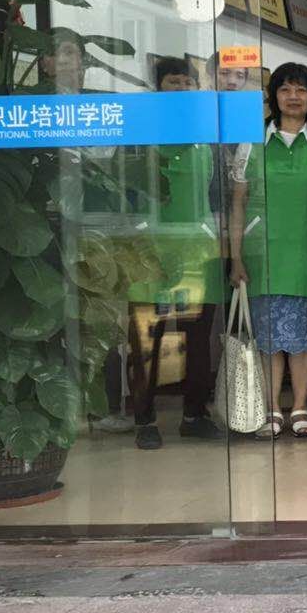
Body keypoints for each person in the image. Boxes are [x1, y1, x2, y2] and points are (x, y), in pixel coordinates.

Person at [125, 57, 223, 450]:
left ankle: (194, 415)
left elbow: (217, 196)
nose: (181, 88)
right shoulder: (141, 136)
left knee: (197, 338)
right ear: (158, 87)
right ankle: (145, 420)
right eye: (173, 81)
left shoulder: (206, 139)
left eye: (187, 82)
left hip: (197, 251)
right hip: (150, 252)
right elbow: (125, 194)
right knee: (147, 339)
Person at [230, 63, 307, 439]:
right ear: (273, 96)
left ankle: (300, 406)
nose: (293, 97)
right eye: (285, 89)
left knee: (303, 338)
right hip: (262, 253)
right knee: (268, 339)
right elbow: (238, 202)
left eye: (301, 90)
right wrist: (236, 256)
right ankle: (272, 407)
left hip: (306, 250)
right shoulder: (252, 141)